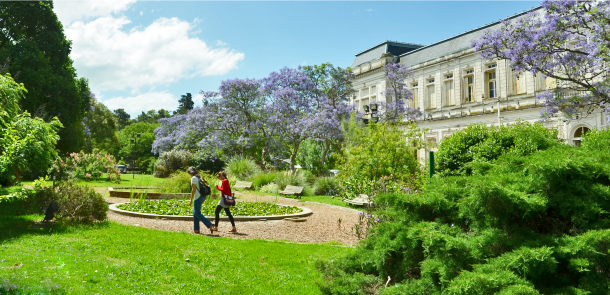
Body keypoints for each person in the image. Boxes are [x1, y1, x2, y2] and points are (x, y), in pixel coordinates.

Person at [187, 167, 213, 234]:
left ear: (190, 172)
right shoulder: (199, 177)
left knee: (197, 213)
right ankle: (196, 230)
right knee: (195, 212)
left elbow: (193, 190)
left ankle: (209, 224)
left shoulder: (193, 178)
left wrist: (191, 200)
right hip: (203, 196)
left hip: (197, 197)